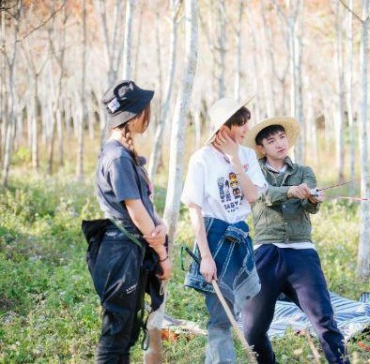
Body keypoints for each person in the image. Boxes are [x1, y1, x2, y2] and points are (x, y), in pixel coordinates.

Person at [241, 117, 349, 364]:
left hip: (302, 254)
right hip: (267, 253)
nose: (279, 143)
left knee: (324, 321)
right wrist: (291, 191)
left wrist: (312, 198)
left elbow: (310, 206)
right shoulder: (253, 172)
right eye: (271, 141)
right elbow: (263, 194)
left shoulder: (304, 172)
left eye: (282, 137)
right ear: (261, 148)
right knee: (253, 330)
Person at [181, 97, 268, 364]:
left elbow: (252, 196)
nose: (246, 129)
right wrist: (206, 257)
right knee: (220, 316)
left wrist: (234, 160)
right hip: (215, 237)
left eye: (246, 123)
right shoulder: (202, 159)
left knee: (239, 308)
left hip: (240, 237)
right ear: (223, 127)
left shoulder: (247, 155)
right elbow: (195, 210)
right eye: (240, 124)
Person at [93, 80, 173, 364]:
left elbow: (144, 206)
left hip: (128, 252)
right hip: (121, 254)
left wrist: (160, 223)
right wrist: (162, 255)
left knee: (125, 333)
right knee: (116, 336)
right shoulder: (117, 157)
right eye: (146, 111)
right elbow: (136, 211)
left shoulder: (122, 153)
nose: (148, 117)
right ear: (135, 115)